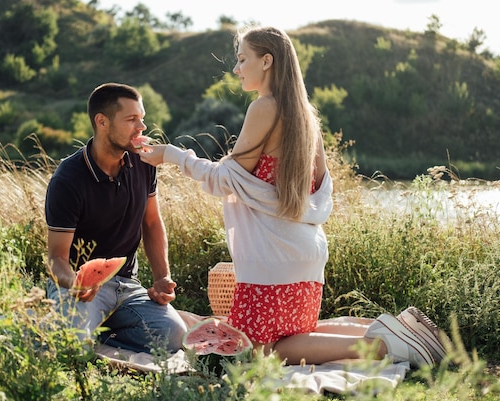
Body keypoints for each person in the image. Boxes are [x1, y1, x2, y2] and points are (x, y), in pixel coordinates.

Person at [139, 26, 448, 367]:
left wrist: (172, 154)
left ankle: (385, 347)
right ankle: (397, 331)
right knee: (295, 335)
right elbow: (320, 188)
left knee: (261, 350)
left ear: (267, 60)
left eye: (243, 59)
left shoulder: (264, 108)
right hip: (307, 251)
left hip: (274, 257)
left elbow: (228, 180)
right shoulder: (306, 116)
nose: (237, 69)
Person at [44, 82, 187, 354]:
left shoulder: (144, 163)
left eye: (142, 119)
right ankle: (82, 328)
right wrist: (75, 283)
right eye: (131, 120)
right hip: (77, 288)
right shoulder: (69, 178)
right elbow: (56, 258)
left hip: (127, 286)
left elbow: (152, 223)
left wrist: (161, 277)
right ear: (102, 122)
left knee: (174, 335)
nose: (142, 128)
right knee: (70, 343)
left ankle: (98, 334)